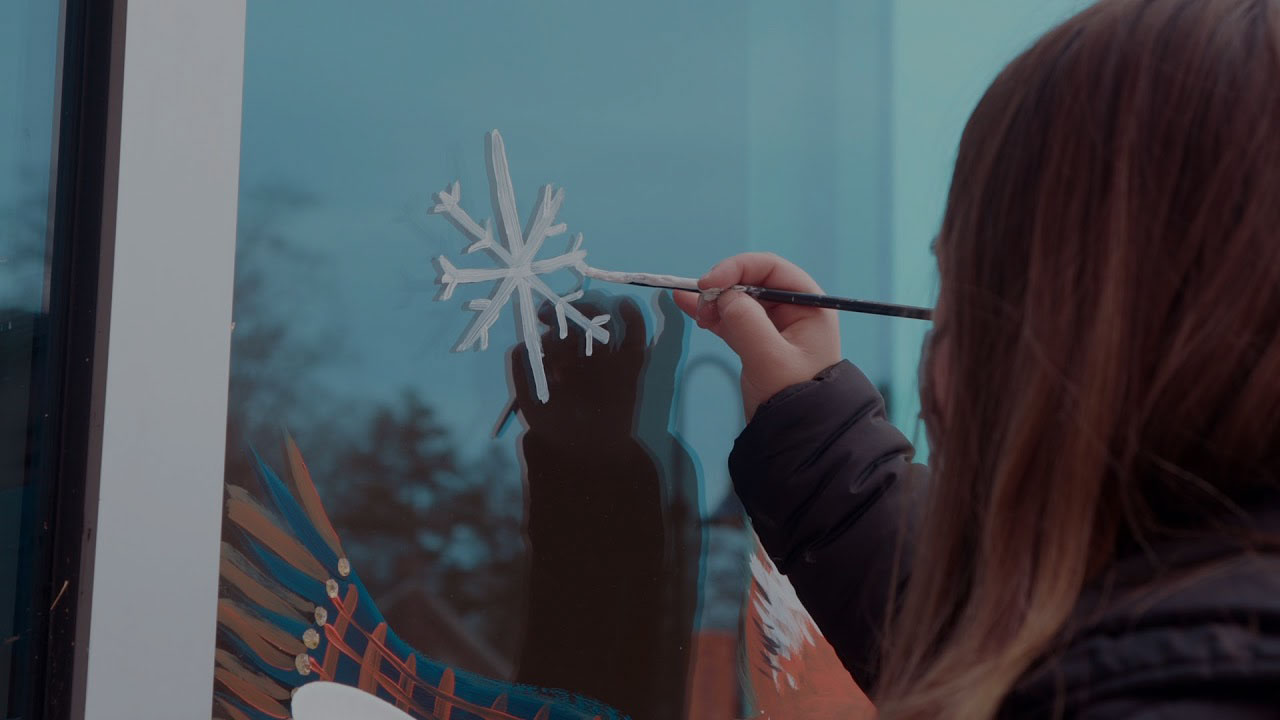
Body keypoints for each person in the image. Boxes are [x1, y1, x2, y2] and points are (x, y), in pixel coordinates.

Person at [674, 0, 1280, 717]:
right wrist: (818, 434)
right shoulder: (1186, 641)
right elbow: (980, 622)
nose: (937, 353)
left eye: (959, 295)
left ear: (1077, 353)